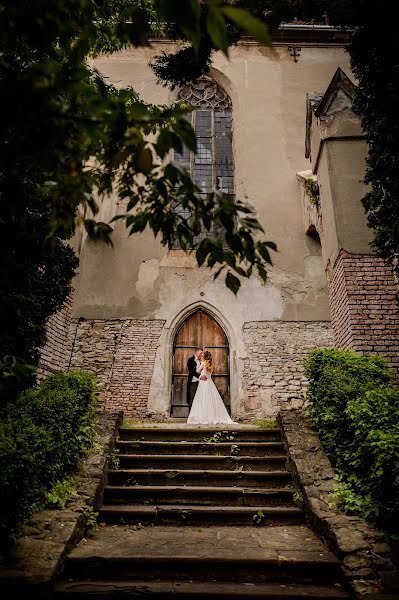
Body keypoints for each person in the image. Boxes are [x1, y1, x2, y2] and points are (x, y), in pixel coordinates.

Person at [187, 350, 235, 424]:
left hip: (203, 383)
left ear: (204, 356)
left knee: (202, 399)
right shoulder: (211, 364)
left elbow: (196, 371)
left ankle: (202, 416)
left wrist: (198, 368)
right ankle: (212, 415)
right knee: (210, 399)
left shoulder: (203, 363)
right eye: (200, 353)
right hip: (209, 382)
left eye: (202, 354)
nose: (201, 355)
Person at [187, 347, 203, 412]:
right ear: (196, 352)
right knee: (192, 398)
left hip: (201, 383)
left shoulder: (201, 361)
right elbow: (191, 371)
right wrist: (200, 376)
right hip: (193, 382)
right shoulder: (190, 360)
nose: (201, 354)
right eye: (201, 353)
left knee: (200, 399)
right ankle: (191, 416)